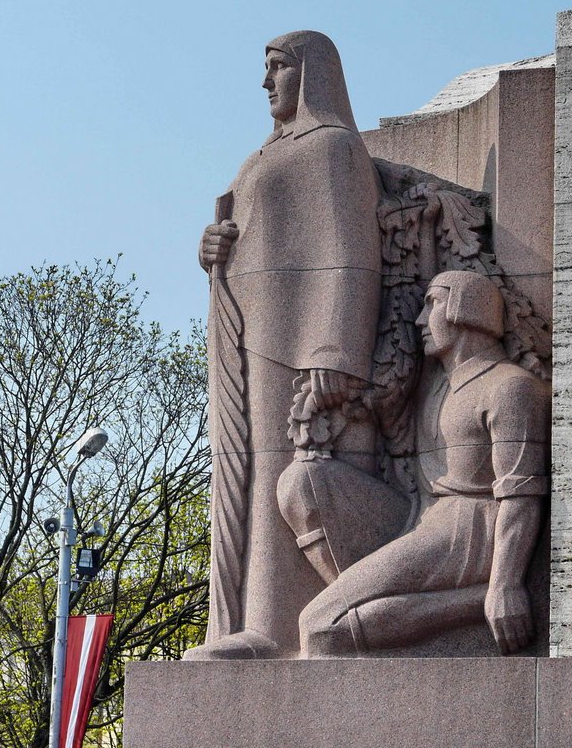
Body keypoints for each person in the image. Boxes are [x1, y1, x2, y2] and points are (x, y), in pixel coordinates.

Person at [187, 32, 383, 659]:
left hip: (297, 341)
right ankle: (234, 623)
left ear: (311, 73)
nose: (266, 82)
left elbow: (354, 252)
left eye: (277, 68)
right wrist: (211, 248)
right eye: (265, 69)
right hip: (246, 333)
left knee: (275, 476)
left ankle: (270, 630)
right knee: (237, 478)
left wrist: (336, 350)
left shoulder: (333, 148)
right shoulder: (266, 155)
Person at [297, 269, 549, 657]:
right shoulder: (436, 387)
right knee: (300, 482)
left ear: (468, 310)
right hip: (424, 519)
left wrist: (506, 584)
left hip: (470, 534)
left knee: (321, 627)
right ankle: (460, 604)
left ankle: (479, 603)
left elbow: (520, 495)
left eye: (433, 303)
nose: (419, 320)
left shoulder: (510, 387)